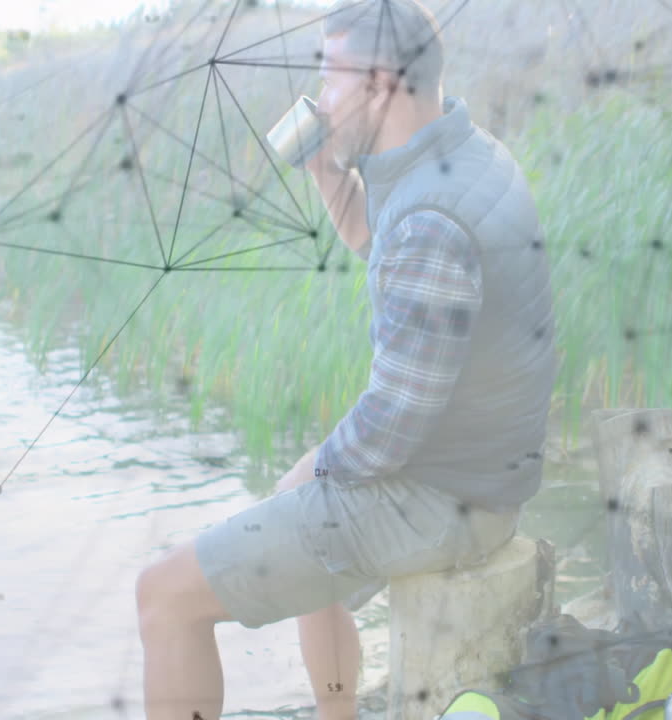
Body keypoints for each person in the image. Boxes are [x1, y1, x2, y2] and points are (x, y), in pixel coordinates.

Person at [135, 1, 558, 719]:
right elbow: (376, 237)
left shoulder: (431, 219)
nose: (321, 97)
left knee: (164, 596)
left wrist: (315, 469)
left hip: (445, 500)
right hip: (481, 473)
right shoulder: (463, 155)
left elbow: (393, 424)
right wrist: (326, 168)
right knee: (305, 501)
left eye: (331, 76)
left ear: (380, 82)